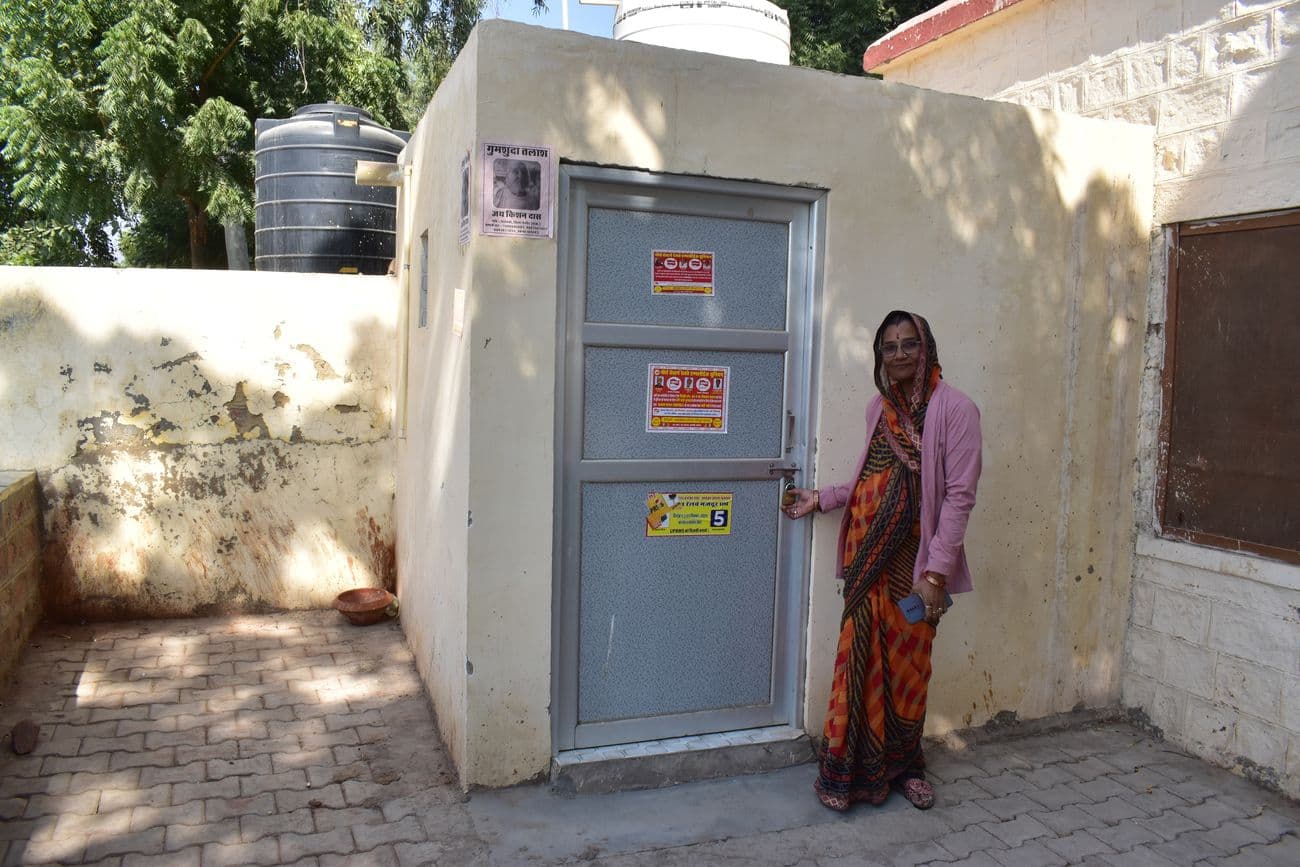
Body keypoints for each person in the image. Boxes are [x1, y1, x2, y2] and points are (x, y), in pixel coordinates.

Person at [783, 310, 981, 811]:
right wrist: (822, 497)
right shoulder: (880, 408)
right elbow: (871, 476)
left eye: (908, 344)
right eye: (889, 347)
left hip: (914, 568)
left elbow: (958, 497)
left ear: (926, 347)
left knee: (909, 666)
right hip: (866, 562)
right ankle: (852, 772)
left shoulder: (956, 410)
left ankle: (907, 767)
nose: (898, 355)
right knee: (860, 662)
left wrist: (936, 574)